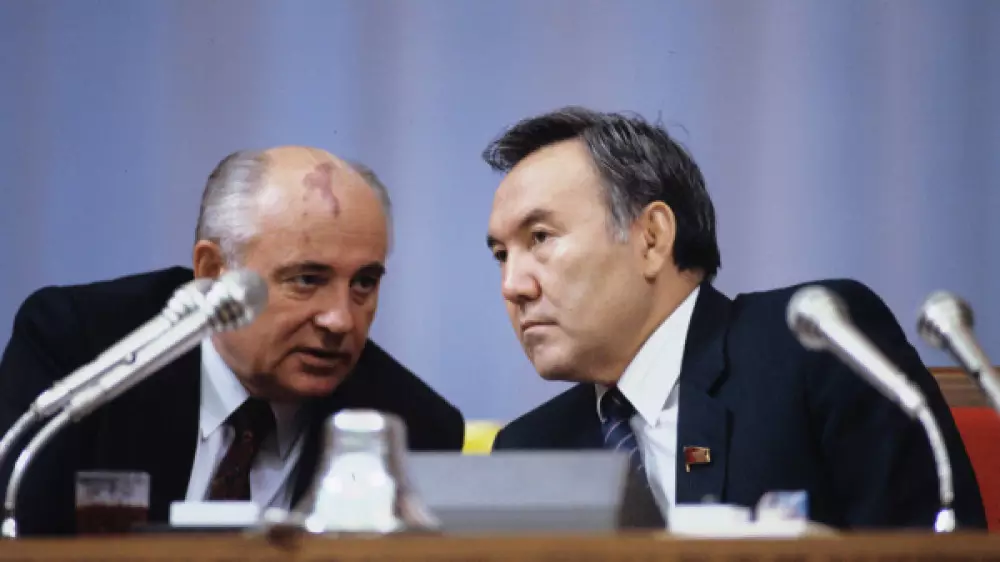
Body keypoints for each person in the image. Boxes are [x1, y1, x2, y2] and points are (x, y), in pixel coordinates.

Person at [482, 107, 985, 530]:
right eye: (502, 255)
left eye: (540, 238)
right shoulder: (529, 451)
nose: (512, 286)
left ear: (652, 238)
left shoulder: (813, 350)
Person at [0, 146, 465, 536]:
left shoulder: (410, 427)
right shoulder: (85, 351)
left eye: (364, 283)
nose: (340, 320)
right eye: (307, 279)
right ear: (212, 272)